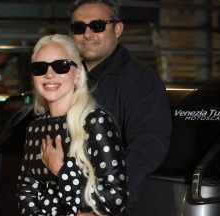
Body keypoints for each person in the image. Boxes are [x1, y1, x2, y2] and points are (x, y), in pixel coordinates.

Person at [69, 0, 172, 214]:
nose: (87, 34)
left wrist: (104, 208)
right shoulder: (67, 79)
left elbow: (146, 148)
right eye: (79, 28)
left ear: (117, 29)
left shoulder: (141, 81)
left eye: (98, 25)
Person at [17, 34, 128, 216]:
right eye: (40, 68)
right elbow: (25, 191)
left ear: (77, 74)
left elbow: (115, 198)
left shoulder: (95, 122)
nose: (49, 74)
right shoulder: (35, 128)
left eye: (61, 66)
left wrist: (61, 170)